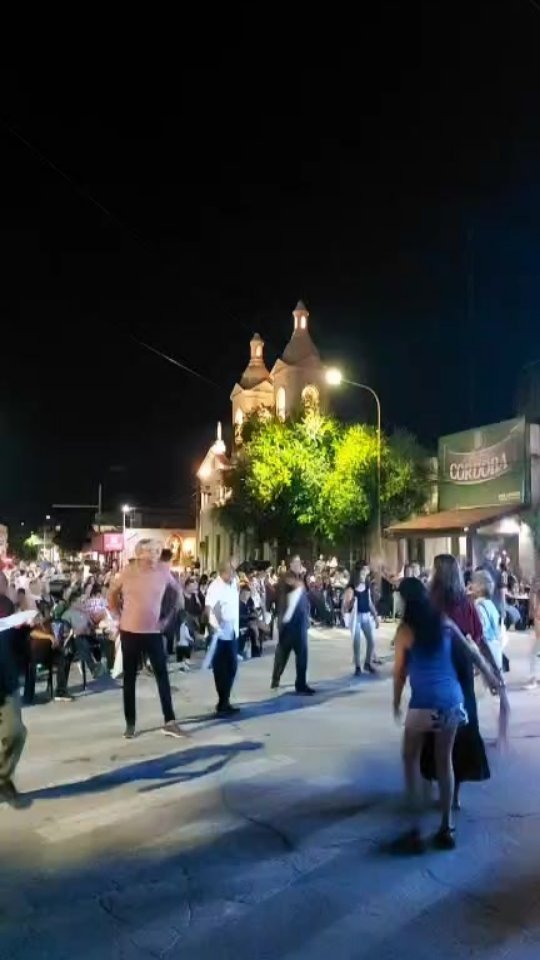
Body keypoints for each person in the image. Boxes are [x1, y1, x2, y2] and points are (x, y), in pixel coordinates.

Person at [393, 577, 501, 851]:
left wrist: (396, 702)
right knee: (445, 762)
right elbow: (471, 650)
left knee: (409, 760)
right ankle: (447, 827)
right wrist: (491, 676)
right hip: (451, 701)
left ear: (406, 601)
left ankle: (415, 830)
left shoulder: (405, 630)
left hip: (423, 703)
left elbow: (400, 672)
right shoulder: (443, 622)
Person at [421, 554, 501, 811]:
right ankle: (454, 795)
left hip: (438, 675)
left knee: (436, 734)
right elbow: (478, 641)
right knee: (463, 732)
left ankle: (442, 791)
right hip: (463, 674)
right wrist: (493, 670)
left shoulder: (430, 604)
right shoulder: (466, 605)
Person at [108, 539, 185, 739]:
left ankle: (170, 721)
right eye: (151, 551)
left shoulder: (163, 571)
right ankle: (130, 723)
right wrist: (117, 616)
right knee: (130, 678)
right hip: (130, 631)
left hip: (153, 632)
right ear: (139, 553)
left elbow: (178, 594)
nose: (155, 555)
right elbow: (112, 594)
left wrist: (166, 619)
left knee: (162, 676)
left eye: (157, 551)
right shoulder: (128, 571)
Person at [0, 573, 28, 806]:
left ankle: (2, 778)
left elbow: (15, 644)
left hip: (6, 681)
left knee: (16, 732)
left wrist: (24, 630)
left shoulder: (7, 606)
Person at [204, 559, 240, 716]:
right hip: (220, 633)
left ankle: (225, 700)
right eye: (230, 571)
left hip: (232, 631)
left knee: (232, 666)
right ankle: (223, 702)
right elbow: (209, 608)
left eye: (233, 571)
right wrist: (215, 625)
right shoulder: (215, 587)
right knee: (220, 669)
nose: (233, 574)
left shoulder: (233, 583)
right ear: (222, 572)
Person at [271, 570, 314, 695]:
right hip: (289, 628)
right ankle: (276, 679)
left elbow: (305, 607)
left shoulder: (301, 591)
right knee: (282, 656)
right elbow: (285, 612)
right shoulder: (287, 593)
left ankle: (300, 683)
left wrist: (307, 620)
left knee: (301, 657)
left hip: (299, 628)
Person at [343, 563, 380, 676]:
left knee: (371, 640)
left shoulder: (366, 585)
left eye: (365, 574)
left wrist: (375, 616)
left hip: (366, 616)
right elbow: (346, 607)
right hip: (356, 617)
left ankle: (367, 663)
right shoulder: (351, 588)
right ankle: (358, 666)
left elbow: (369, 602)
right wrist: (351, 602)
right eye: (362, 573)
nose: (364, 576)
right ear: (357, 574)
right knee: (357, 642)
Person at [471, 569, 503, 671]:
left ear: (481, 587)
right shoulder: (491, 605)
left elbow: (481, 629)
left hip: (486, 653)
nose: (471, 585)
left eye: (474, 582)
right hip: (495, 651)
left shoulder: (479, 607)